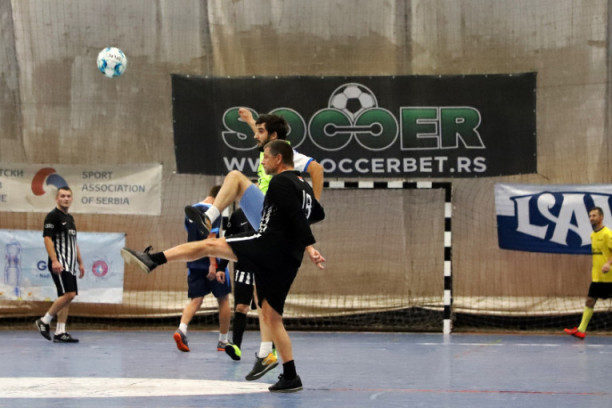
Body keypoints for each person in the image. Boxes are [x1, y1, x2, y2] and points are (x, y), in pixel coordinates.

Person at [121, 140, 326, 393]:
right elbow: (317, 214)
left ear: (279, 159)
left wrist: (309, 243)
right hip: (289, 258)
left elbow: (295, 216)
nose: (262, 162)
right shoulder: (304, 187)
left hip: (267, 245)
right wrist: (306, 247)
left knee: (209, 245)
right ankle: (291, 376)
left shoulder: (280, 182)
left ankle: (153, 259)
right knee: (273, 317)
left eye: (266, 157)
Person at [182, 110, 324, 376]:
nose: (255, 136)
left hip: (272, 213)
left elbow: (317, 168)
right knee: (263, 296)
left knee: (235, 178)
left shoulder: (287, 155)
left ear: (274, 138)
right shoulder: (267, 153)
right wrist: (250, 121)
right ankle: (265, 352)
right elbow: (262, 136)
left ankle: (209, 217)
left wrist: (313, 206)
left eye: (260, 132)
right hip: (268, 220)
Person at [173, 185, 232, 353]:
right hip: (212, 261)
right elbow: (211, 238)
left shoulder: (191, 210)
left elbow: (192, 235)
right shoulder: (213, 211)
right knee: (224, 300)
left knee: (196, 300)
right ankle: (223, 341)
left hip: (193, 261)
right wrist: (213, 264)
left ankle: (181, 329)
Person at [34, 186, 85, 343]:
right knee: (69, 294)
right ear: (57, 198)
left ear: (72, 199)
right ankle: (44, 321)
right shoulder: (52, 216)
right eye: (62, 196)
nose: (66, 199)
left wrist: (80, 262)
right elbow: (47, 239)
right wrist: (55, 260)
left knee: (66, 297)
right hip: (60, 263)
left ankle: (60, 332)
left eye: (68, 196)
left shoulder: (70, 218)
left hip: (70, 264)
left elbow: (73, 242)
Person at [564, 206, 612, 339]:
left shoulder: (607, 234)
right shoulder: (593, 235)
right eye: (590, 216)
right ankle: (581, 330)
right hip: (598, 277)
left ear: (601, 217)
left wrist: (608, 263)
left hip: (610, 277)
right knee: (590, 300)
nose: (591, 218)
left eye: (594, 216)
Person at [222, 207, 257, 361]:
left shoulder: (272, 212)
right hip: (243, 267)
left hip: (266, 268)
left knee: (268, 310)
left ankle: (271, 349)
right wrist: (221, 267)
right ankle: (236, 347)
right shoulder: (238, 215)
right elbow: (227, 242)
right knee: (241, 307)